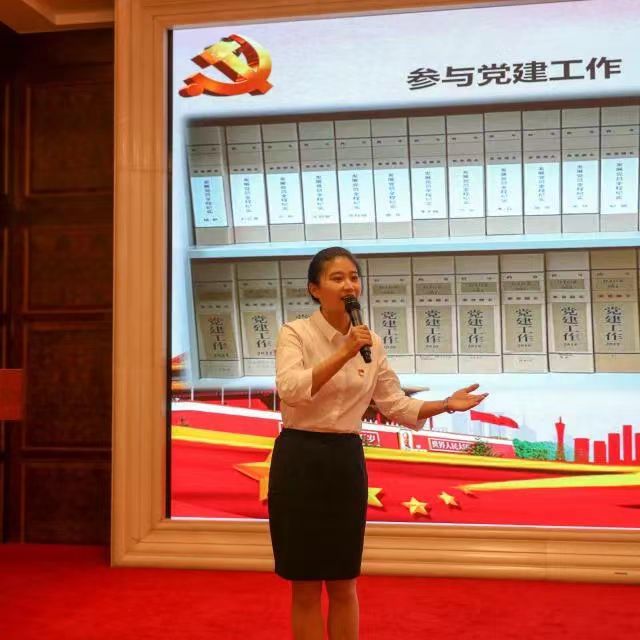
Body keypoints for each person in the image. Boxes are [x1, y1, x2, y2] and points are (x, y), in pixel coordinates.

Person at [268, 247, 488, 640]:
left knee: (343, 581)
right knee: (305, 583)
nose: (349, 285)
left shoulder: (372, 343)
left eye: (354, 277)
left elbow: (395, 404)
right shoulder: (295, 333)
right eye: (337, 278)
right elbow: (292, 390)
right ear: (314, 289)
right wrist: (344, 352)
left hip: (344, 462)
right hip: (299, 459)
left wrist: (445, 404)